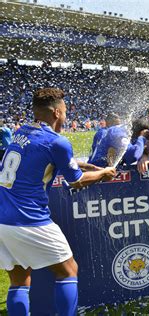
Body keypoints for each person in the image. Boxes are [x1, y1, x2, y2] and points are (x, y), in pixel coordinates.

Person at [0, 88, 116, 316]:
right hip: (29, 218)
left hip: (3, 218)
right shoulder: (57, 141)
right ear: (55, 112)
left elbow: (42, 157)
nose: (66, 116)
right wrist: (105, 173)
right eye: (64, 112)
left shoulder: (21, 132)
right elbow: (77, 182)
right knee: (68, 271)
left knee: (20, 279)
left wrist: (86, 166)